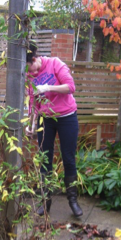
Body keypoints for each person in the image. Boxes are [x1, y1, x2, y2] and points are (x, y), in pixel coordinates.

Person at [25, 44, 83, 217]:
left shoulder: (55, 64)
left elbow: (70, 87)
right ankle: (45, 202)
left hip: (67, 117)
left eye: (29, 66)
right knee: (44, 160)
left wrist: (47, 88)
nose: (29, 72)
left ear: (34, 60)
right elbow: (33, 103)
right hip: (46, 119)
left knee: (68, 159)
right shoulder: (28, 75)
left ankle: (73, 201)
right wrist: (30, 124)